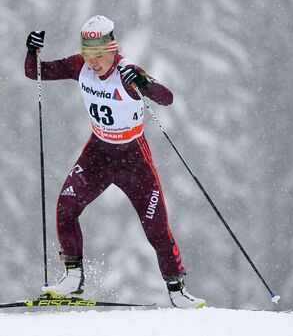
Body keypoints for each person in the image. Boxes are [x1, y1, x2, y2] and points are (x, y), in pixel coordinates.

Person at [24, 15, 206, 309]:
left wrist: (145, 84)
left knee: (156, 227)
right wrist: (32, 51)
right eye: (88, 55)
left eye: (98, 56)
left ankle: (177, 290)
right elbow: (36, 73)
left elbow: (167, 98)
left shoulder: (127, 72)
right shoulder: (79, 66)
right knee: (66, 206)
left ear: (112, 49)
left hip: (134, 159)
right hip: (98, 153)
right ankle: (73, 277)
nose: (93, 63)